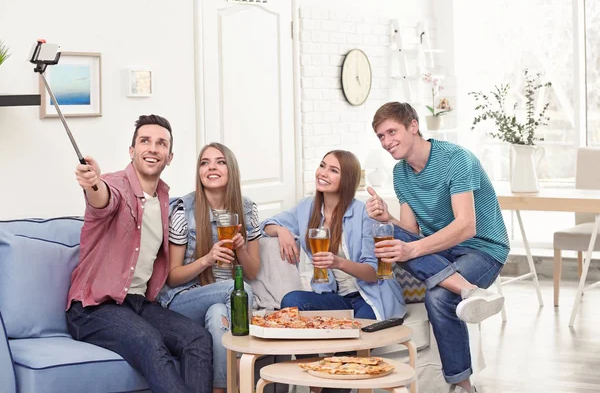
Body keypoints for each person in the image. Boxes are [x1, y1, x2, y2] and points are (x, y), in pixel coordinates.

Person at [367, 102, 509, 393]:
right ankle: (469, 290)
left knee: (439, 296)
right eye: (381, 136)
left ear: (414, 126)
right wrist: (387, 217)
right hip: (441, 252)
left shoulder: (457, 159)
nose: (386, 142)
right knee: (390, 233)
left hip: (482, 249)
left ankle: (462, 385)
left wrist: (413, 250)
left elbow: (466, 226)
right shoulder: (400, 174)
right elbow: (409, 232)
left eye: (392, 132)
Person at [66, 115, 213, 393]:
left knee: (198, 339)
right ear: (132, 151)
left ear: (169, 157)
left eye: (161, 144)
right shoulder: (115, 184)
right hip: (92, 309)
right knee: (149, 342)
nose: (152, 148)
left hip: (138, 304)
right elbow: (103, 199)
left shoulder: (165, 199)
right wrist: (92, 183)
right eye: (145, 141)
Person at [156, 142, 260, 393]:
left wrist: (240, 249)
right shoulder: (184, 211)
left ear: (231, 169)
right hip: (182, 300)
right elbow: (172, 277)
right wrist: (206, 259)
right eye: (205, 162)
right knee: (240, 291)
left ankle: (220, 389)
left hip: (220, 302)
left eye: (220, 161)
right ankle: (243, 380)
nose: (211, 167)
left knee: (217, 314)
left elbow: (253, 271)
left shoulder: (247, 209)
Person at [262, 150, 405, 320]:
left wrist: (339, 263)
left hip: (369, 297)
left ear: (347, 180)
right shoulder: (306, 208)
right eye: (322, 166)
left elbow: (373, 274)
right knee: (291, 300)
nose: (323, 173)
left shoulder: (364, 214)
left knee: (358, 333)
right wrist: (281, 230)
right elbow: (266, 225)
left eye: (333, 170)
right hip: (335, 298)